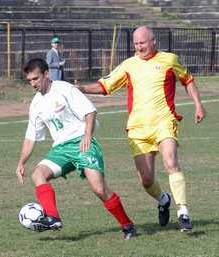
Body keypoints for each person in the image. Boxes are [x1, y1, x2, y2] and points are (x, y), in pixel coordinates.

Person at [77, 26, 206, 232]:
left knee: (171, 161)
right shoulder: (129, 65)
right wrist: (82, 89)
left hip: (164, 122)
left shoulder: (169, 60)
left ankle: (183, 211)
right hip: (138, 128)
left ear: (153, 41)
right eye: (136, 44)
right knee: (146, 180)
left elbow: (188, 81)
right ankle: (164, 199)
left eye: (143, 43)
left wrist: (198, 105)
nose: (139, 47)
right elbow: (105, 86)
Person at [15, 58, 135, 240]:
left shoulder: (64, 89)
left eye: (36, 79)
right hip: (61, 149)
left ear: (46, 74)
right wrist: (21, 162)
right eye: (30, 80)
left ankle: (127, 225)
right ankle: (53, 217)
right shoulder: (36, 104)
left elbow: (90, 111)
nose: (33, 84)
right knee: (38, 174)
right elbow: (31, 137)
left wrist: (87, 135)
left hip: (81, 142)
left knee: (99, 189)